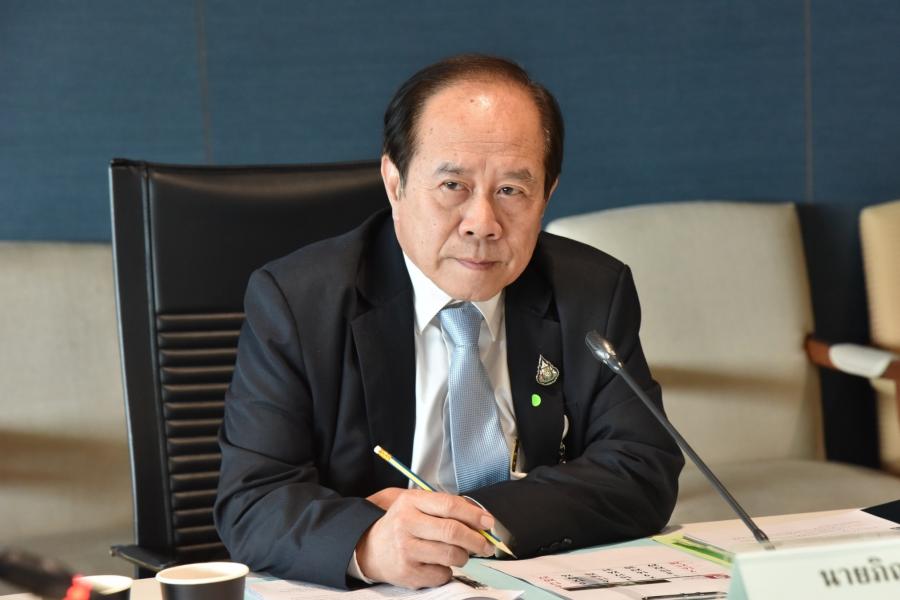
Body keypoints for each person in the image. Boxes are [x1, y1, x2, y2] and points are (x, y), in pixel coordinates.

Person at [214, 54, 683, 590]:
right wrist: (367, 543)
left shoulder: (592, 291)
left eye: (511, 190)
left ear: (547, 195)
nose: (482, 223)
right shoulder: (299, 302)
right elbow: (253, 501)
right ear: (394, 181)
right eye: (453, 185)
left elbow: (642, 467)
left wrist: (465, 520)